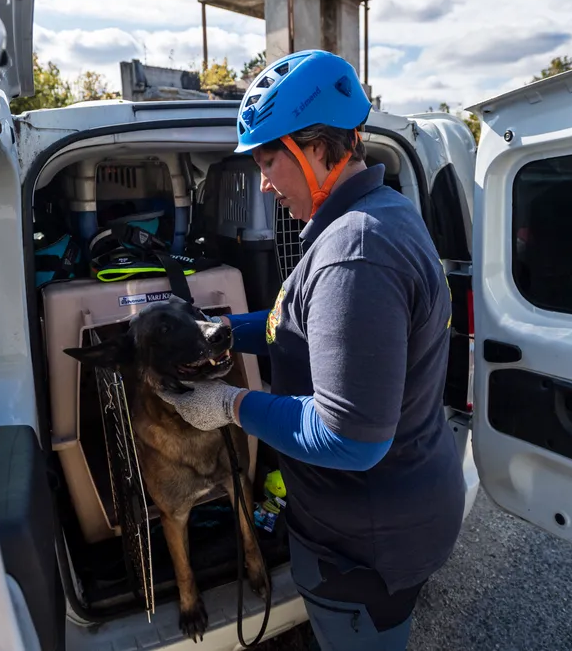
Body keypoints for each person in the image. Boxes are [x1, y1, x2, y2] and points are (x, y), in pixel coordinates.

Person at [157, 49, 465, 650]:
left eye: (269, 160)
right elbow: (295, 324)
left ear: (317, 148)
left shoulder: (358, 252)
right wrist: (219, 330)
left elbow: (348, 438)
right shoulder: (376, 216)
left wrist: (229, 406)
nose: (265, 182)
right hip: (377, 517)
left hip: (366, 544)